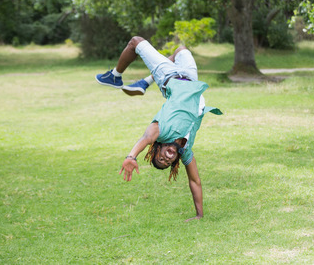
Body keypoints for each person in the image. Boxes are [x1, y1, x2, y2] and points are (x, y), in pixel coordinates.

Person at [95, 36, 222, 222]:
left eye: (161, 157)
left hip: (168, 76)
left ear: (157, 147)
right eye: (168, 162)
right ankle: (145, 82)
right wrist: (199, 215)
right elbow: (195, 181)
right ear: (176, 160)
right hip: (190, 77)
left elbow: (146, 137)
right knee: (181, 49)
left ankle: (115, 76)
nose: (167, 157)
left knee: (135, 42)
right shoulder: (185, 150)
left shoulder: (162, 131)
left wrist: (131, 156)